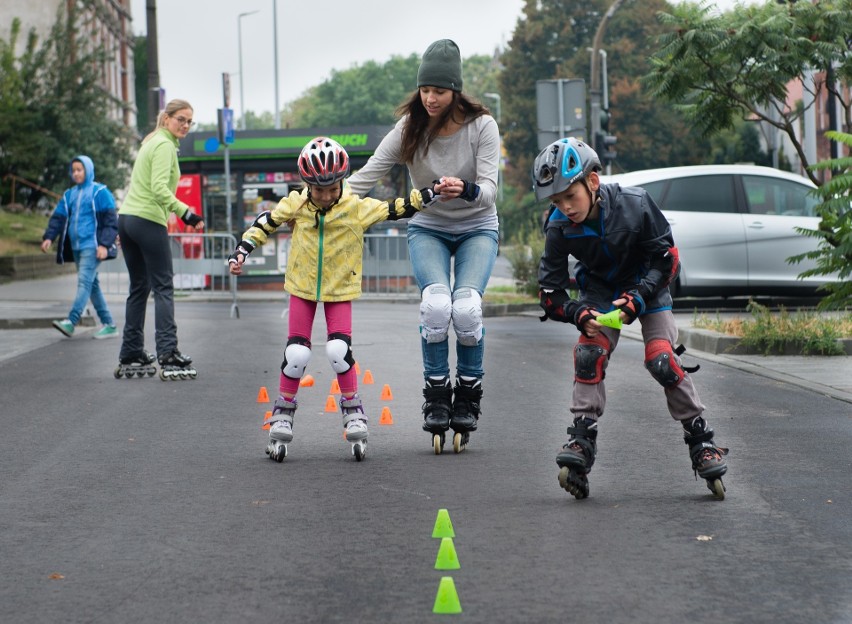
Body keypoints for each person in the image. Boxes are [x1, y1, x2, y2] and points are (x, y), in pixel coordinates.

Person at [533, 137, 729, 499]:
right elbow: (549, 293)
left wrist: (637, 298)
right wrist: (579, 313)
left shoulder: (635, 205)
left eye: (569, 196)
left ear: (592, 182)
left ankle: (702, 440)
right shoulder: (558, 226)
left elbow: (668, 259)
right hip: (600, 293)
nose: (564, 207)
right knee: (588, 353)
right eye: (556, 201)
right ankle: (581, 439)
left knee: (661, 360)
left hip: (647, 289)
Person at [228, 137, 438, 462]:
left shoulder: (356, 207)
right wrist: (242, 250)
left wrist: (431, 193)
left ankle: (353, 409)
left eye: (331, 188)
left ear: (342, 182)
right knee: (296, 354)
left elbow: (396, 208)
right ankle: (283, 413)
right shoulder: (296, 204)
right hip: (302, 286)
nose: (325, 196)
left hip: (340, 289)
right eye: (317, 189)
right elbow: (265, 222)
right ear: (306, 184)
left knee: (338, 351)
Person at [347, 39, 500, 454]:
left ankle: (467, 396)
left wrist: (464, 188)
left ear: (456, 91)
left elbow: (489, 192)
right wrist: (316, 198)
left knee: (466, 308)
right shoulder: (408, 130)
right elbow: (364, 179)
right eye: (425, 90)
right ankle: (436, 398)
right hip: (429, 225)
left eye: (439, 91)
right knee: (436, 306)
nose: (431, 98)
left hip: (477, 227)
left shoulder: (482, 126)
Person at [115, 99, 204, 380]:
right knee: (164, 285)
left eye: (190, 121)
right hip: (146, 220)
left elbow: (143, 186)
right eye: (181, 119)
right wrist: (186, 213)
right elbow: (156, 189)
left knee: (139, 286)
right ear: (166, 118)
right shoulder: (164, 145)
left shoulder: (151, 141)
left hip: (127, 219)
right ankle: (167, 351)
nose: (185, 125)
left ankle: (131, 351)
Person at [41, 155, 119, 339]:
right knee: (92, 285)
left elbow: (111, 221)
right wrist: (49, 238)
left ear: (88, 170)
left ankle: (71, 321)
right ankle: (109, 324)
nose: (76, 173)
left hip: (92, 247)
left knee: (84, 282)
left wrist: (104, 245)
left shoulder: (100, 192)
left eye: (80, 169)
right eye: (74, 170)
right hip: (76, 247)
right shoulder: (69, 195)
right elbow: (58, 218)